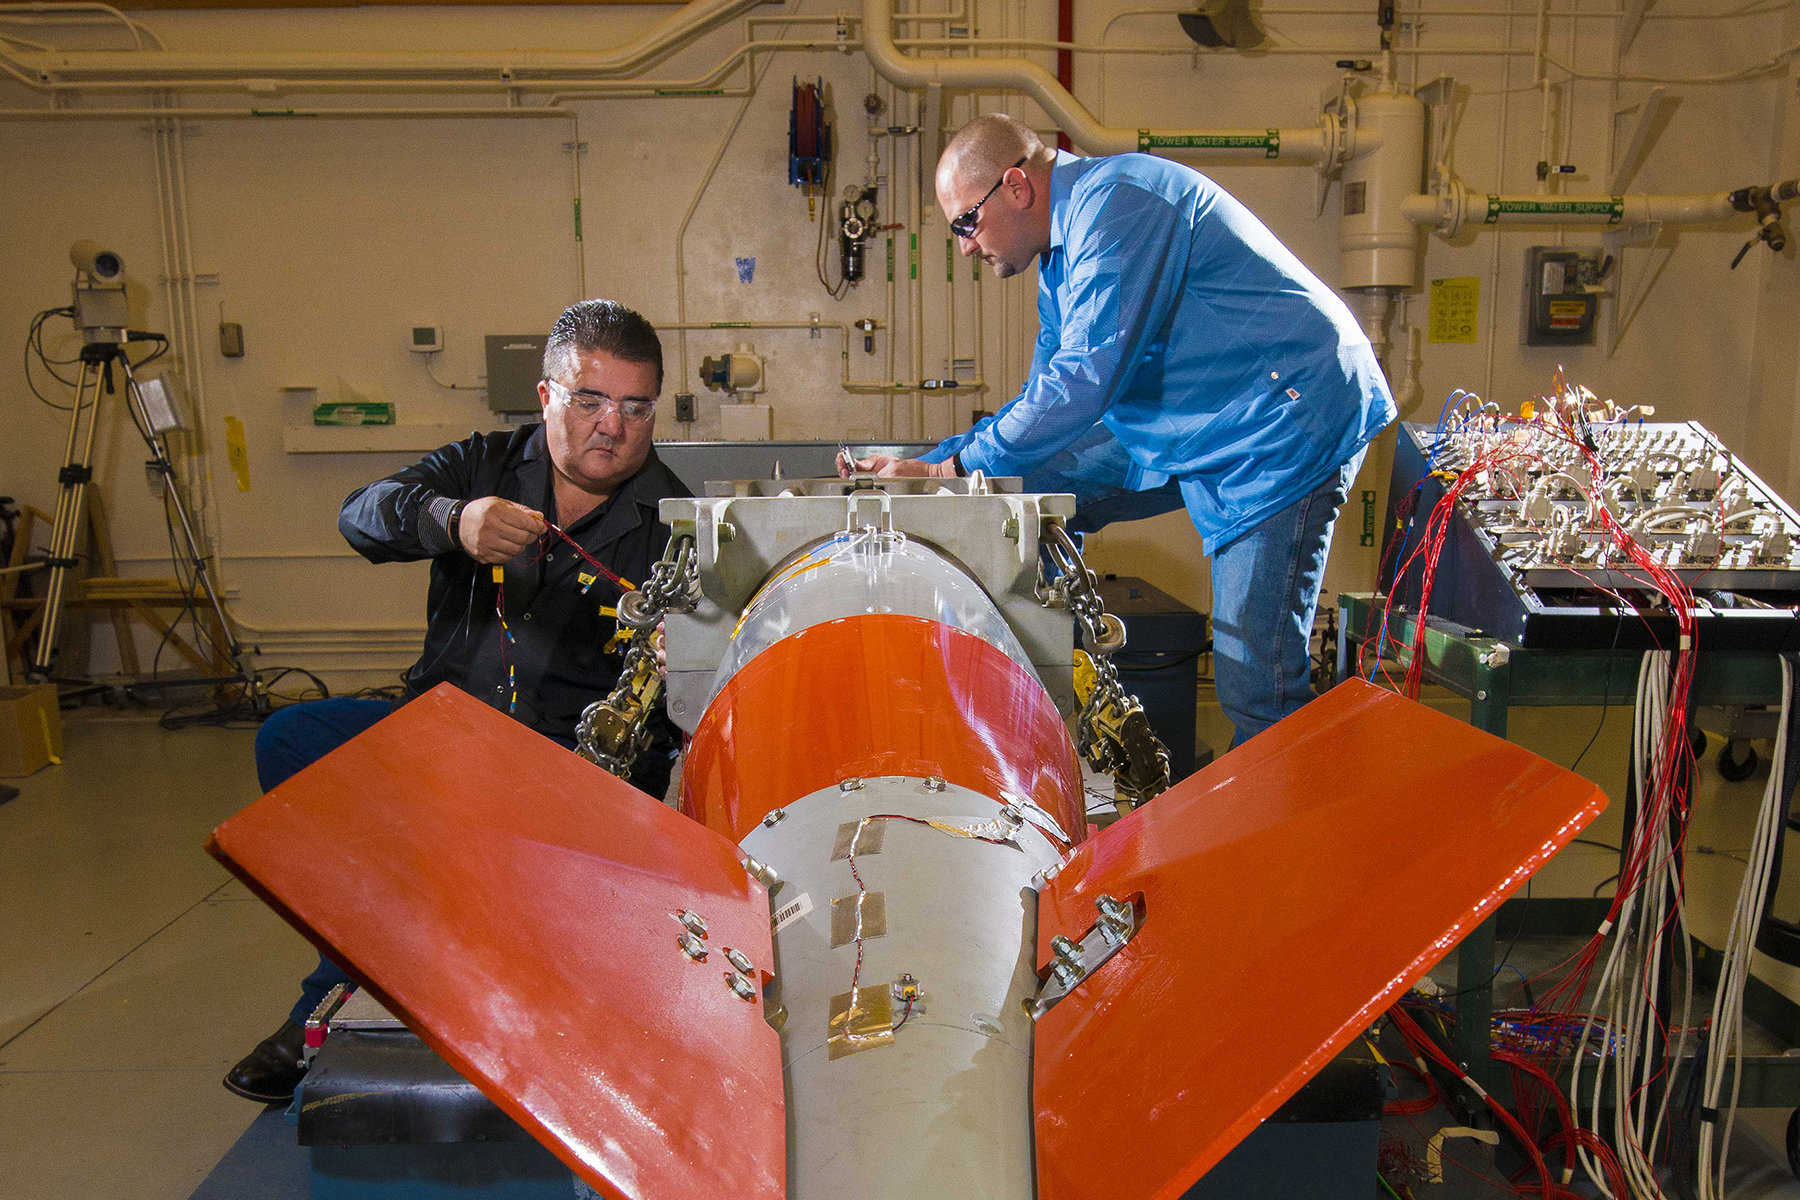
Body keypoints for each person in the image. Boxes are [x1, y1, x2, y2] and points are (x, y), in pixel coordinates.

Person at [222, 298, 689, 1103]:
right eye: (589, 400)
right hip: (439, 744)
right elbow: (361, 516)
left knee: (458, 853)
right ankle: (403, 947)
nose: (611, 426)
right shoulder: (482, 466)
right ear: (545, 396)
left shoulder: (677, 524)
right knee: (291, 742)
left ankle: (325, 1005)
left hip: (569, 780)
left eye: (634, 406)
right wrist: (450, 520)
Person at [846, 114, 1395, 748]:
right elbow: (1043, 400)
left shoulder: (1118, 203)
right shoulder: (1059, 261)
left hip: (1282, 423)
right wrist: (930, 468)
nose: (966, 246)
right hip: (1201, 420)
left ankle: (1289, 836)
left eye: (966, 222)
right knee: (1014, 483)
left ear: (1017, 186)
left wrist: (951, 471)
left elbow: (1085, 379)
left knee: (1256, 679)